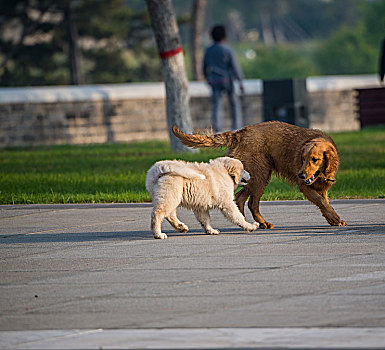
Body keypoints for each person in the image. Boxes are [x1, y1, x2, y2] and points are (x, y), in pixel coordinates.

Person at [203, 25, 244, 132]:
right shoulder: (227, 50)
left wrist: (207, 78)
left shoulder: (208, 50)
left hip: (214, 80)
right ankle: (236, 127)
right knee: (234, 104)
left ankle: (217, 129)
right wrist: (240, 81)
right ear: (224, 36)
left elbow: (204, 66)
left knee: (217, 105)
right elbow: (235, 67)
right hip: (227, 80)